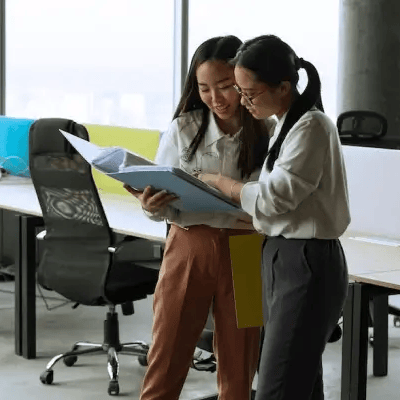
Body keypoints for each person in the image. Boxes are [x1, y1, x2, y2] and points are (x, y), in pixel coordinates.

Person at [198, 34, 350, 400]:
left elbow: (276, 198)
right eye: (241, 92)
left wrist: (225, 185)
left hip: (306, 261)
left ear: (284, 87)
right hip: (282, 256)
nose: (243, 102)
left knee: (276, 386)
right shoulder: (285, 123)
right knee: (299, 382)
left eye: (250, 93)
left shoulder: (311, 127)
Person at [124, 35, 271, 400]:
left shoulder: (268, 131)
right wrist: (151, 205)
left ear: (242, 80)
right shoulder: (183, 129)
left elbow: (274, 200)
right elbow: (159, 205)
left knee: (240, 369)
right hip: (190, 245)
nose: (216, 98)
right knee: (167, 356)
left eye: (225, 87)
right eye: (204, 89)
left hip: (247, 251)